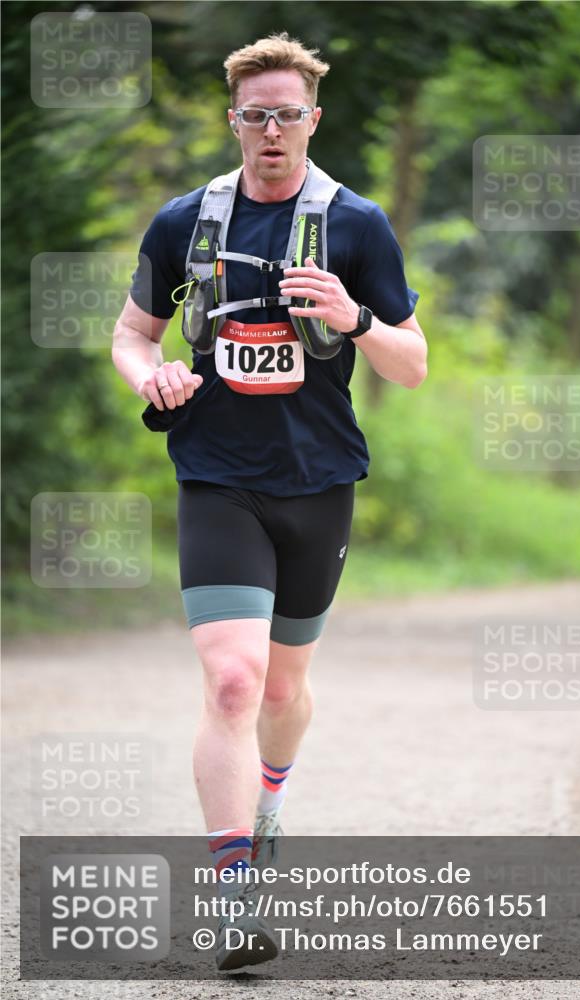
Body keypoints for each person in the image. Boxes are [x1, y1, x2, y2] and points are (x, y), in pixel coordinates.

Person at [112, 32, 427, 972]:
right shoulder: (185, 222)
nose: (272, 130)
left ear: (312, 120)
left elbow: (411, 366)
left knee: (284, 689)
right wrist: (151, 375)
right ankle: (232, 895)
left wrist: (354, 317)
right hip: (215, 478)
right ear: (234, 123)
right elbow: (131, 335)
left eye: (288, 113)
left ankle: (271, 803)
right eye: (255, 115)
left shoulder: (356, 225)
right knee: (233, 683)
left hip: (318, 484)